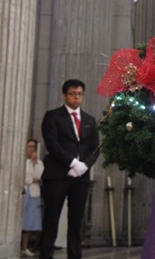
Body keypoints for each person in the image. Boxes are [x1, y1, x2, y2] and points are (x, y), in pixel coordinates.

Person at [39, 79, 99, 259]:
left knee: (76, 221)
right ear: (64, 95)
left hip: (80, 178)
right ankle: (45, 254)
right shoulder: (53, 116)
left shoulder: (89, 119)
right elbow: (53, 145)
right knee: (51, 218)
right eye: (72, 94)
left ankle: (75, 255)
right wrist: (73, 163)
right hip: (58, 174)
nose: (76, 98)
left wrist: (84, 166)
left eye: (79, 94)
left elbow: (95, 148)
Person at [22, 139, 44, 257]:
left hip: (34, 193)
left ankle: (25, 247)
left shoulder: (38, 163)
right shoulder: (21, 161)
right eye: (29, 146)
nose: (31, 149)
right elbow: (21, 177)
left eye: (33, 147)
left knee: (30, 223)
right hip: (23, 192)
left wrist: (35, 163)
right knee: (22, 220)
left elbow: (39, 176)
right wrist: (31, 180)